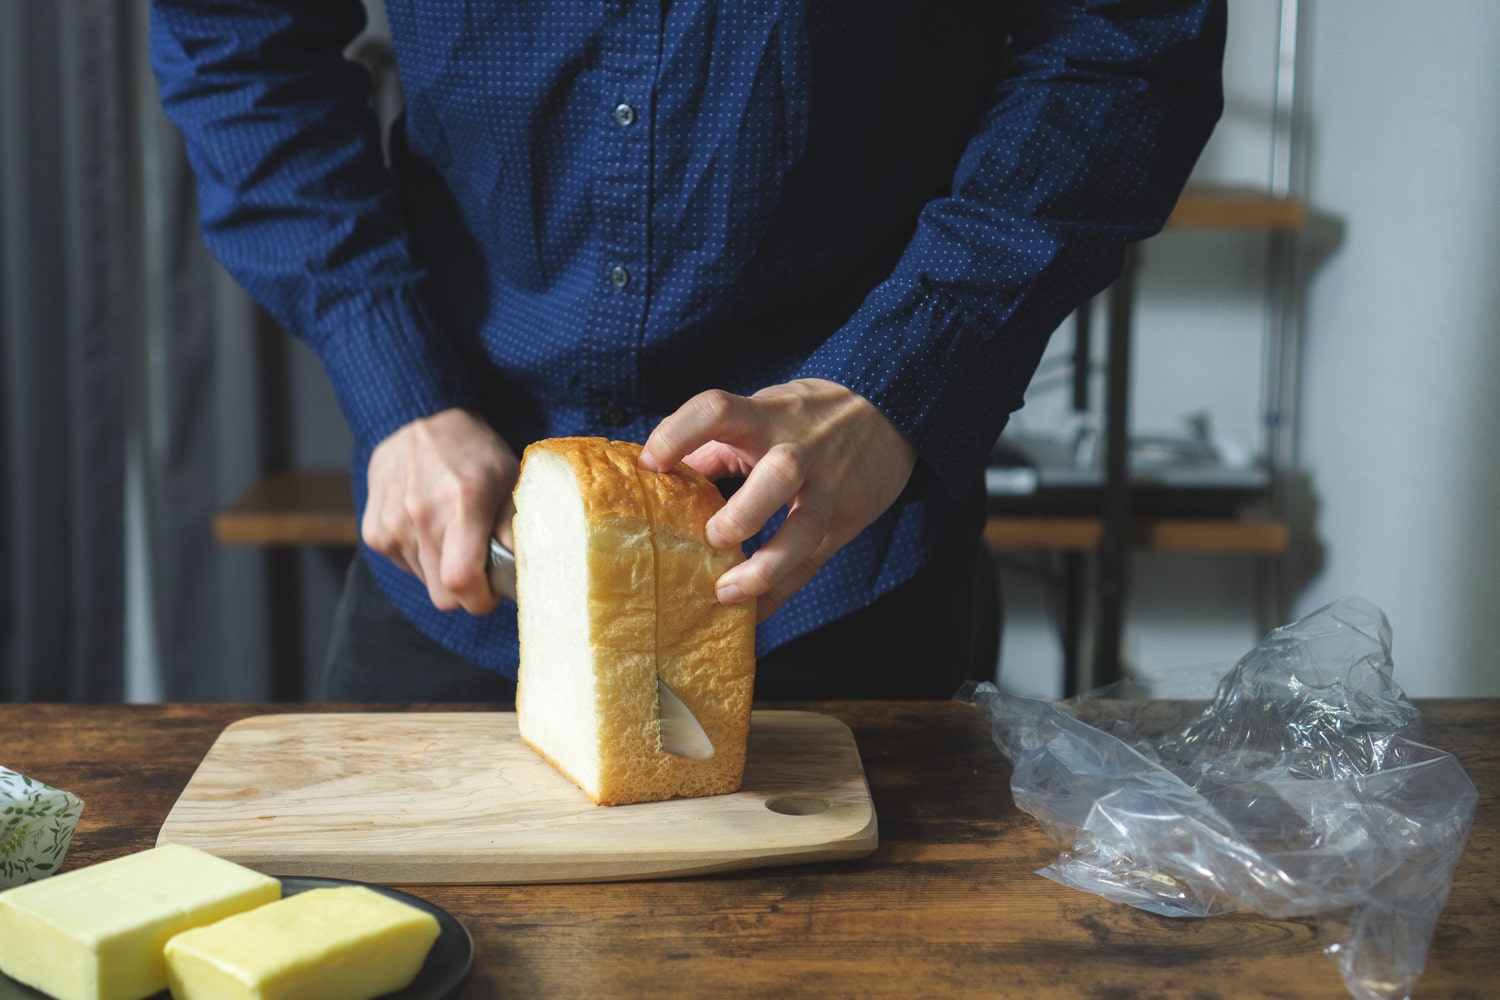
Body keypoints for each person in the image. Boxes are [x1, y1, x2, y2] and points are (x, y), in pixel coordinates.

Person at [150, 0, 1225, 702]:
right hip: (471, 556)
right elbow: (237, 38)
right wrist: (391, 377)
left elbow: (1125, 40)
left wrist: (904, 373)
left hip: (840, 554)